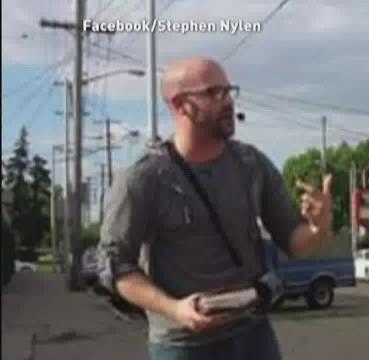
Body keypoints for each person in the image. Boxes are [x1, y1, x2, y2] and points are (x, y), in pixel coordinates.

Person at [96, 56, 333, 360]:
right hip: (183, 345)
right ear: (181, 104)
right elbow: (114, 265)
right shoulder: (143, 179)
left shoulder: (251, 164)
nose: (228, 101)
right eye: (214, 93)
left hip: (253, 334)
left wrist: (318, 226)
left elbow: (295, 242)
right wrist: (175, 309)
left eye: (229, 90)